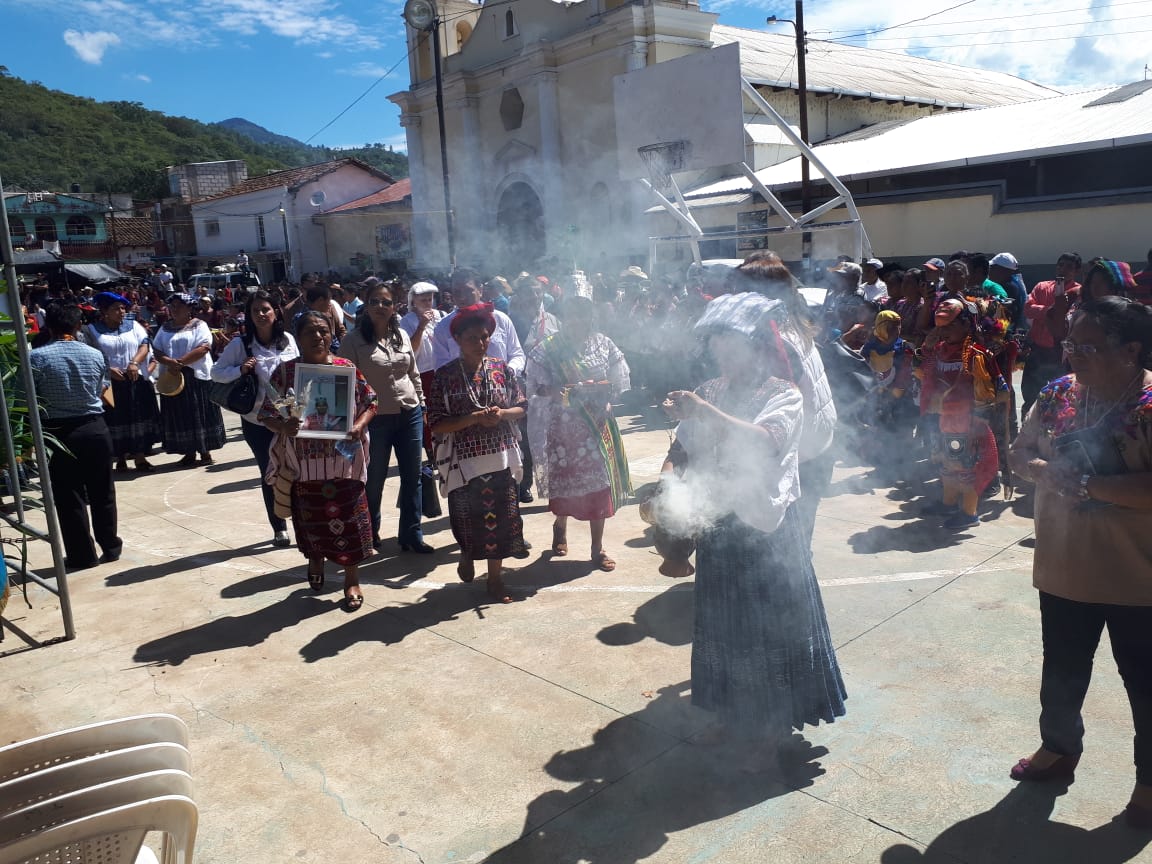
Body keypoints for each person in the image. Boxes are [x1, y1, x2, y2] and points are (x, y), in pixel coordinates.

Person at [660, 293, 846, 764]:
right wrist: (668, 474)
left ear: (758, 347)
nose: (723, 351)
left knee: (768, 632)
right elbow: (683, 447)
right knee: (723, 628)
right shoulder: (713, 389)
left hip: (766, 531)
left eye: (732, 343)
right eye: (717, 342)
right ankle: (728, 716)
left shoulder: (783, 393)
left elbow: (765, 442)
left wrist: (703, 410)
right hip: (720, 527)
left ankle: (770, 728)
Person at [1007, 296, 1152, 827]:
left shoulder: (1150, 401)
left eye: (1087, 346)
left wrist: (1091, 484)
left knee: (1147, 684)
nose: (1072, 356)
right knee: (1063, 671)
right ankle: (1060, 747)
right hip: (1065, 570)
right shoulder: (1054, 394)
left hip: (1140, 580)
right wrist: (1042, 469)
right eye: (1069, 344)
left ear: (1131, 348)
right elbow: (1019, 454)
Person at [260, 312, 378, 611]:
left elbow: (370, 402)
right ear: (297, 338)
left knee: (350, 522)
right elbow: (266, 414)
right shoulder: (286, 373)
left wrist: (359, 425)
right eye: (310, 332)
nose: (318, 337)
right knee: (312, 521)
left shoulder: (345, 368)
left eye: (323, 331)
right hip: (305, 467)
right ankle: (315, 558)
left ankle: (351, 579)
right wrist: (283, 426)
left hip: (344, 463)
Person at [734, 257, 838, 550]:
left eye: (739, 290)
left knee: (788, 554)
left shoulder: (775, 340)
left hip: (800, 459)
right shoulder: (796, 324)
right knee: (799, 544)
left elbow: (774, 412)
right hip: (818, 449)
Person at [427, 304, 528, 604]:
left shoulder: (501, 369)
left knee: (503, 518)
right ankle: (467, 554)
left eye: (484, 337)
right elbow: (436, 422)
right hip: (463, 463)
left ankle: (495, 579)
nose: (480, 343)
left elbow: (522, 407)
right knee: (466, 518)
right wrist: (472, 418)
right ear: (457, 339)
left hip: (500, 458)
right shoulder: (444, 377)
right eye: (472, 338)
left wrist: (502, 414)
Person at [527, 293, 630, 571]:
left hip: (598, 424)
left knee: (600, 484)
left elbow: (617, 380)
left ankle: (597, 549)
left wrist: (608, 401)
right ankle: (560, 525)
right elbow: (535, 386)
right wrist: (556, 391)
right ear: (563, 318)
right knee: (568, 485)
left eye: (583, 314)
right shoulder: (549, 348)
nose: (578, 320)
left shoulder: (603, 344)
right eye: (572, 314)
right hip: (565, 427)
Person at [339, 280, 431, 553]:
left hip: (409, 412)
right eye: (375, 301)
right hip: (375, 418)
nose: (381, 306)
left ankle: (412, 534)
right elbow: (345, 380)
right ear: (366, 307)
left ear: (394, 307)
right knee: (374, 477)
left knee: (413, 475)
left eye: (386, 302)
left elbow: (413, 373)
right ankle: (370, 533)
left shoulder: (401, 335)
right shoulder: (353, 341)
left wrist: (422, 407)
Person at [29, 302, 122, 571]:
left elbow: (32, 397)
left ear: (48, 327)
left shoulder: (36, 357)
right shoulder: (94, 354)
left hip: (58, 432)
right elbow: (101, 389)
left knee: (69, 496)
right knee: (103, 490)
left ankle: (83, 555)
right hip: (94, 427)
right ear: (78, 325)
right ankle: (111, 546)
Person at [211, 289, 299, 547]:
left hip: (289, 419)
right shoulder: (240, 344)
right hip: (257, 420)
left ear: (276, 312)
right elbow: (216, 372)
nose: (261, 314)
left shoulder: (288, 340)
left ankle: (301, 518)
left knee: (296, 470)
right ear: (248, 315)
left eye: (266, 309)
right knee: (269, 471)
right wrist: (240, 369)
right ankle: (279, 527)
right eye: (255, 311)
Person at [918, 296, 1010, 527]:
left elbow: (987, 389)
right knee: (946, 463)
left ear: (967, 324)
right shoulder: (939, 349)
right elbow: (926, 374)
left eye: (950, 326)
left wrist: (978, 419)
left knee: (966, 465)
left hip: (967, 420)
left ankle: (969, 513)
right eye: (941, 327)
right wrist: (928, 348)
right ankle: (948, 504)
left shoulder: (976, 352)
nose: (944, 331)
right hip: (945, 418)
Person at [81, 291, 160, 473]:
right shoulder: (91, 330)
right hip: (109, 383)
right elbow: (90, 354)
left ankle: (140, 457)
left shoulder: (134, 326)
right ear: (105, 311)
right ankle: (120, 459)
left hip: (135, 379)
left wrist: (134, 363)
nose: (122, 312)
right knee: (114, 420)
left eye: (123, 308)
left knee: (138, 418)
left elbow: (144, 344)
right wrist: (107, 370)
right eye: (117, 309)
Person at [152, 293, 226, 467]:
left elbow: (204, 347)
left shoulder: (199, 325)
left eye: (179, 305)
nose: (175, 309)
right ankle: (188, 451)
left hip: (196, 376)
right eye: (172, 306)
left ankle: (205, 450)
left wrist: (181, 362)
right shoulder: (165, 328)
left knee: (199, 411)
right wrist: (171, 362)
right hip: (173, 376)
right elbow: (156, 350)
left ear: (189, 308)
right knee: (180, 414)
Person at [509, 276, 561, 503]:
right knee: (525, 438)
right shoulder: (509, 322)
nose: (534, 296)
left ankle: (555, 483)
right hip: (520, 388)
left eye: (538, 292)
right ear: (518, 296)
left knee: (551, 435)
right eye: (529, 292)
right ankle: (524, 483)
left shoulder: (552, 321)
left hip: (547, 389)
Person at [430, 268, 525, 374]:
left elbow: (517, 354)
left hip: (501, 386)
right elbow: (440, 364)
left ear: (480, 290)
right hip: (464, 389)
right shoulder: (443, 327)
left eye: (467, 290)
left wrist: (509, 371)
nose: (462, 297)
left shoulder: (502, 320)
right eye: (457, 292)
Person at [1022, 253, 1083, 418]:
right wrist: (1049, 312)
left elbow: (1071, 318)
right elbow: (1028, 308)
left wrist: (1047, 313)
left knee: (1061, 396)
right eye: (1060, 265)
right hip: (1037, 350)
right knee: (1030, 393)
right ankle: (1027, 428)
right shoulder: (1042, 287)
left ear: (1076, 271)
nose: (1063, 269)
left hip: (1060, 353)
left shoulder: (1077, 292)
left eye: (1069, 267)